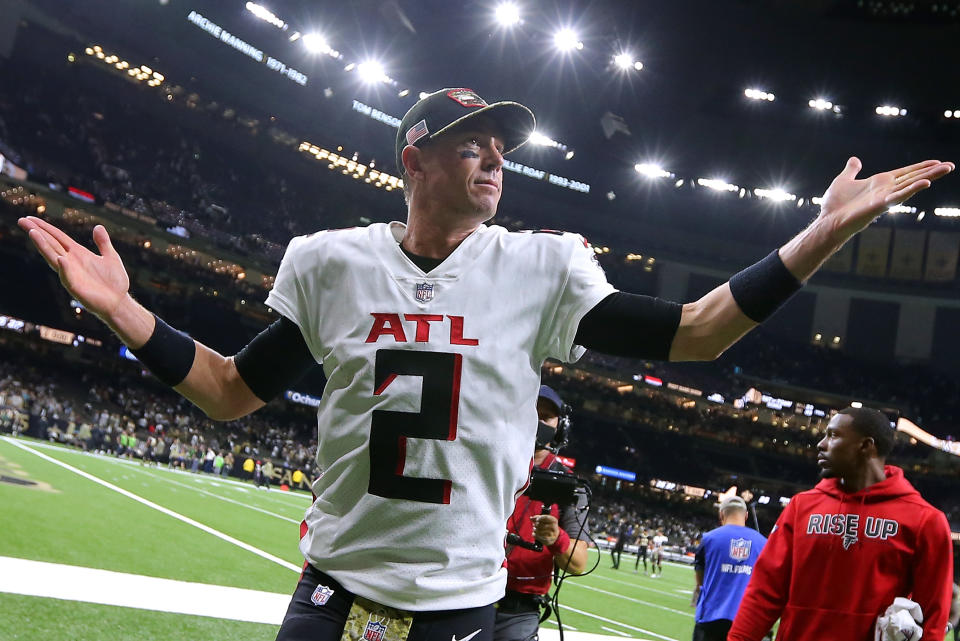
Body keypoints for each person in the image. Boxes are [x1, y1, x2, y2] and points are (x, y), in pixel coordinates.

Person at [16, 85, 953, 641]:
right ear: (415, 158)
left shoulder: (540, 266)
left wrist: (821, 233)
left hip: (462, 612)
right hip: (331, 596)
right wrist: (128, 312)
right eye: (475, 146)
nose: (496, 164)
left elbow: (700, 329)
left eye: (503, 152)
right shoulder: (331, 260)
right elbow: (227, 392)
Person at [728, 407, 954, 641]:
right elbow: (765, 592)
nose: (821, 444)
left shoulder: (925, 521)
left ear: (866, 446)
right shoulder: (801, 507)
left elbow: (933, 616)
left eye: (833, 435)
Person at [494, 385, 590, 641]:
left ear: (560, 427)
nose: (537, 422)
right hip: (470, 592)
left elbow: (579, 564)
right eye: (532, 412)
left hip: (519, 608)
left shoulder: (570, 487)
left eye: (546, 417)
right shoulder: (489, 465)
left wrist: (556, 537)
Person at [690, 496, 767, 641]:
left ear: (721, 515)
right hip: (747, 619)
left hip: (711, 617)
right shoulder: (763, 543)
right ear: (746, 515)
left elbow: (700, 577)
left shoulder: (708, 539)